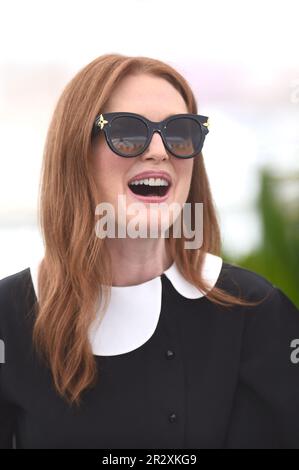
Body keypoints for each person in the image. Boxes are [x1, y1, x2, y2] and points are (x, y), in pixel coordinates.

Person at [0, 53, 299, 450]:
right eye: (127, 132)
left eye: (179, 132)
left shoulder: (257, 311)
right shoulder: (7, 315)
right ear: (76, 153)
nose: (159, 151)